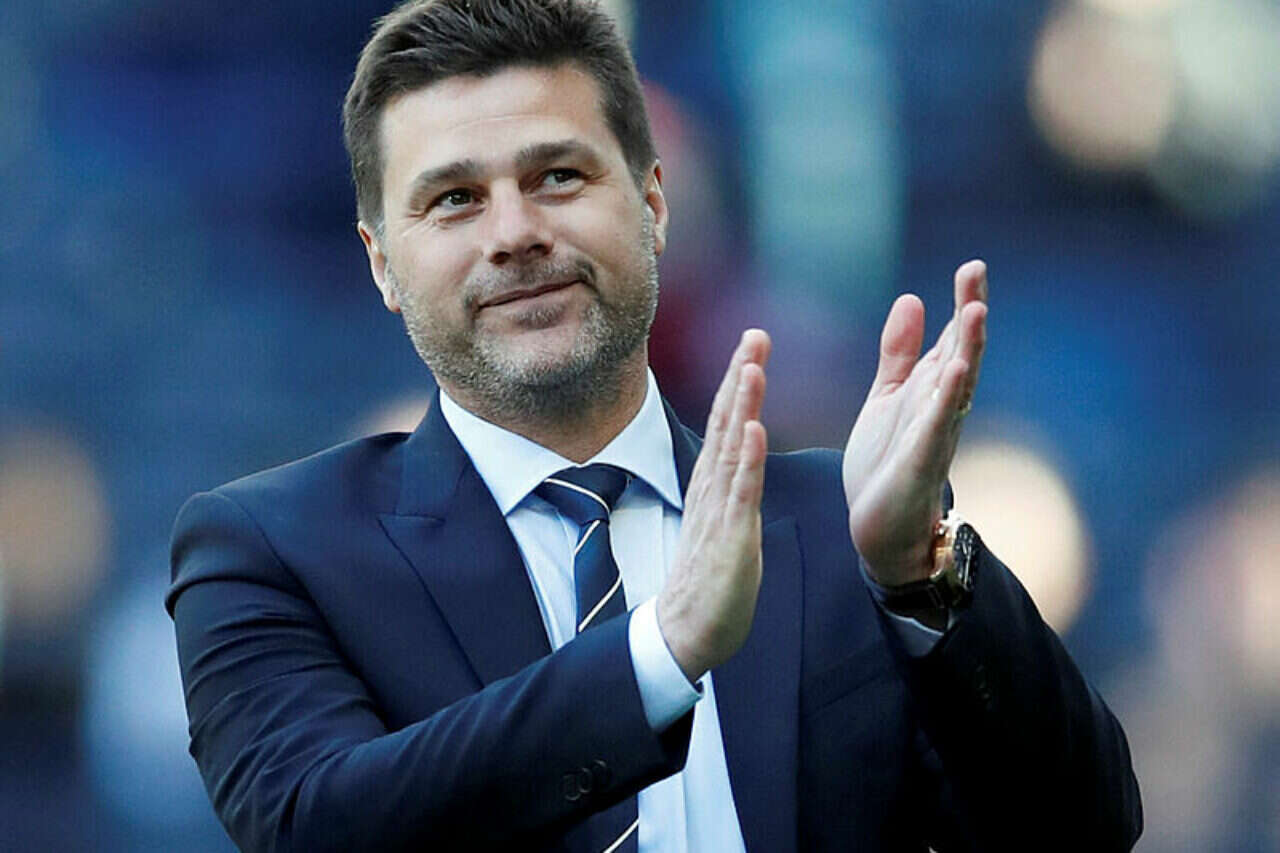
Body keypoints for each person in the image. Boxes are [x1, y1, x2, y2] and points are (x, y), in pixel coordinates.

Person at [167, 1, 1142, 850]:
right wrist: (656, 656)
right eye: (455, 199)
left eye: (558, 176)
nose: (514, 232)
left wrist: (918, 578)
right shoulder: (271, 551)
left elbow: (1083, 827)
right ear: (382, 263)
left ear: (653, 204)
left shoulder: (848, 529)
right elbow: (318, 827)